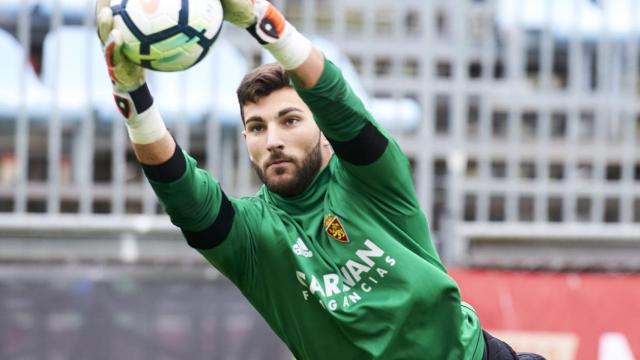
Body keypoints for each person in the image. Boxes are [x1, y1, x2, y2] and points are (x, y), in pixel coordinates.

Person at [95, 0, 544, 359]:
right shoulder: (252, 237)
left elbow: (332, 93)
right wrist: (131, 93)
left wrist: (257, 17)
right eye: (256, 127)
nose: (271, 140)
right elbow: (178, 185)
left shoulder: (372, 178)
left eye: (290, 120)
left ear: (324, 131)